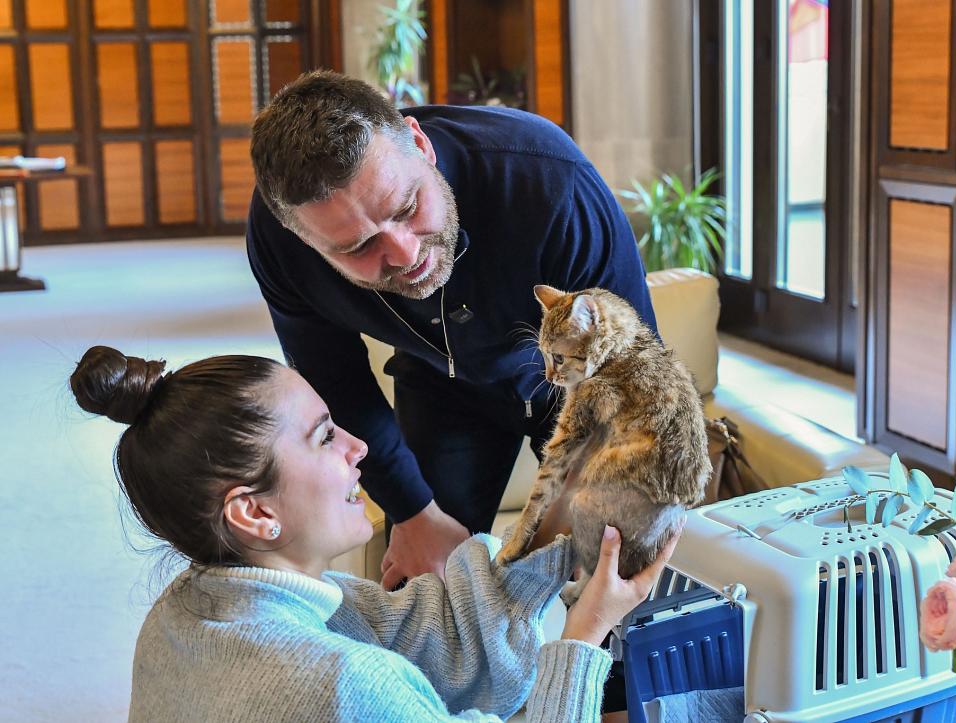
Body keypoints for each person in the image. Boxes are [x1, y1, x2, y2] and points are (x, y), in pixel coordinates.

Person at [70, 346, 680, 722]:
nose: (359, 449)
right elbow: (361, 682)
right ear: (253, 514)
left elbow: (415, 628)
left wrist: (552, 531)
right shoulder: (343, 686)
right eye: (325, 436)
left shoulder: (182, 614)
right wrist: (585, 633)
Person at [246, 71, 657, 589]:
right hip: (440, 378)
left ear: (420, 145)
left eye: (408, 208)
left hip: (574, 377)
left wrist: (559, 537)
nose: (406, 253)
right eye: (358, 248)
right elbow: (336, 382)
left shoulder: (548, 181)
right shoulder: (279, 244)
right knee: (420, 589)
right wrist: (415, 513)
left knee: (613, 564)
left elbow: (633, 378)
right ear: (302, 238)